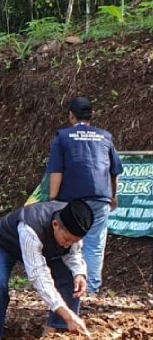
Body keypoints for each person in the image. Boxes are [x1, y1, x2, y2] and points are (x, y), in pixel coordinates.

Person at [0, 199, 94, 340]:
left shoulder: (73, 223)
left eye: (74, 241)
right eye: (66, 239)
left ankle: (58, 332)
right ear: (55, 225)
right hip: (2, 244)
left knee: (71, 279)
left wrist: (79, 273)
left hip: (43, 247)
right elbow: (38, 275)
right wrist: (67, 313)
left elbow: (74, 254)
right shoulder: (30, 229)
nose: (68, 245)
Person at [47, 97, 123, 297]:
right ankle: (91, 291)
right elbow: (114, 171)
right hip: (101, 197)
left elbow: (56, 171)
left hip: (73, 197)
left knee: (69, 241)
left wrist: (53, 198)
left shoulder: (62, 137)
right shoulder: (105, 136)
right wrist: (113, 196)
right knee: (95, 244)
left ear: (71, 115)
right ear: (92, 116)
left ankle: (70, 288)